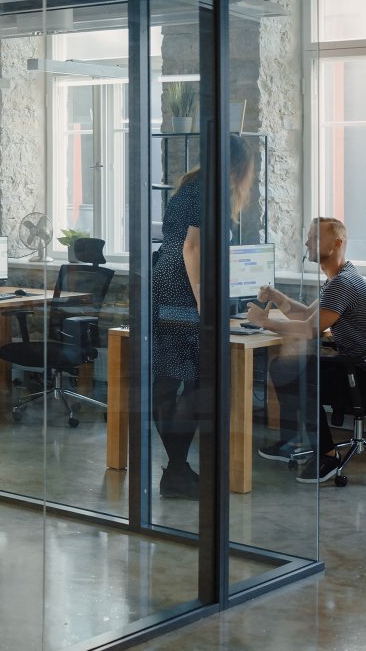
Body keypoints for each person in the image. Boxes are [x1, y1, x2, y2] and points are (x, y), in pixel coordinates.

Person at [248, 217, 366, 484]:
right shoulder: (339, 278)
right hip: (362, 371)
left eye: (314, 238)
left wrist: (264, 322)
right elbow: (306, 314)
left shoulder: (343, 284)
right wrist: (276, 296)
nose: (306, 242)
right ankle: (291, 440)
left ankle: (327, 455)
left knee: (295, 374)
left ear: (337, 244)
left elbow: (309, 329)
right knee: (284, 367)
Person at [150, 135, 256, 498]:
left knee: (168, 379)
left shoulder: (188, 188)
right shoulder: (207, 194)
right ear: (236, 167)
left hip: (164, 281)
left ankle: (176, 470)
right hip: (181, 286)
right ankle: (177, 470)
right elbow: (191, 247)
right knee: (198, 380)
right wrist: (203, 301)